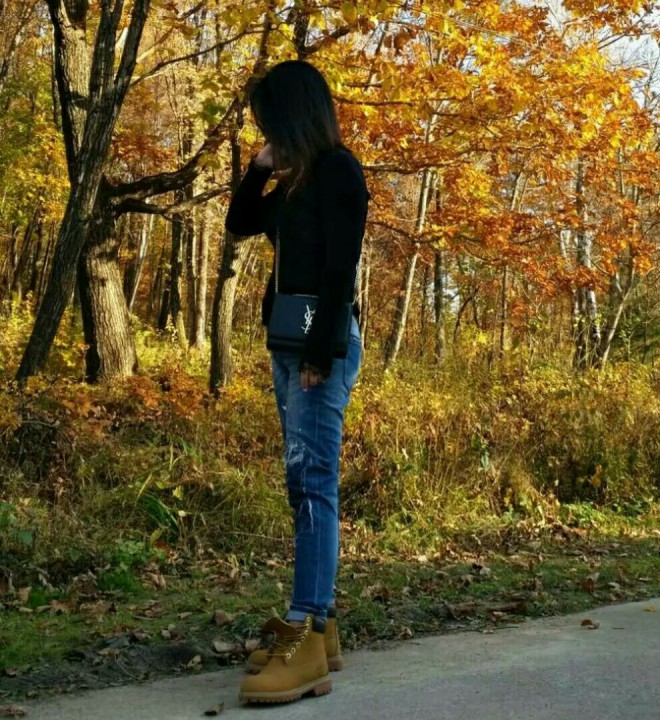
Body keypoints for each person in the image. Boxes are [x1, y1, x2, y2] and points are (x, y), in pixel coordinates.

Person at [224, 59, 371, 705]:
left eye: (271, 123)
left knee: (314, 484)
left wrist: (319, 353)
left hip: (321, 349)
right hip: (289, 346)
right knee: (301, 483)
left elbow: (341, 269)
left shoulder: (339, 170)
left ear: (296, 115)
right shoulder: (294, 181)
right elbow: (239, 223)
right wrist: (258, 168)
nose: (267, 133)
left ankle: (307, 631)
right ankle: (323, 627)